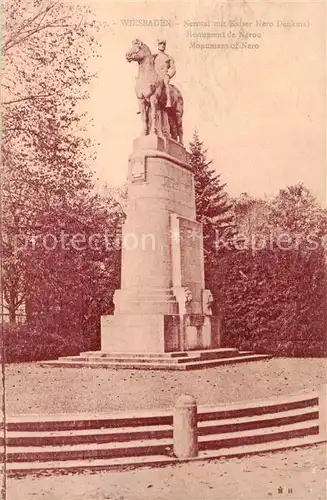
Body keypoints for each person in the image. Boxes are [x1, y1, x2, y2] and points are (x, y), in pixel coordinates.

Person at [154, 39, 176, 108]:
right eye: (161, 43)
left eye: (164, 44)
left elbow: (173, 69)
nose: (163, 45)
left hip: (164, 76)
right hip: (155, 77)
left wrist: (168, 75)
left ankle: (169, 101)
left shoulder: (169, 57)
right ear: (158, 45)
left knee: (166, 82)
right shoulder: (154, 57)